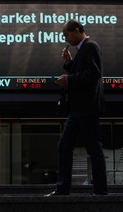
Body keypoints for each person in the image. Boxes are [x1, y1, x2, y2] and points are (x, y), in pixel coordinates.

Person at [46, 19, 108, 196]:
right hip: (78, 108)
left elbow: (93, 74)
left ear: (77, 30)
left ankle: (101, 191)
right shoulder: (82, 50)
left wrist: (68, 80)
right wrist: (69, 63)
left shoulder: (90, 46)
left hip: (87, 107)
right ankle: (62, 188)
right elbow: (82, 72)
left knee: (93, 148)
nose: (66, 38)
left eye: (66, 34)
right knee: (65, 145)